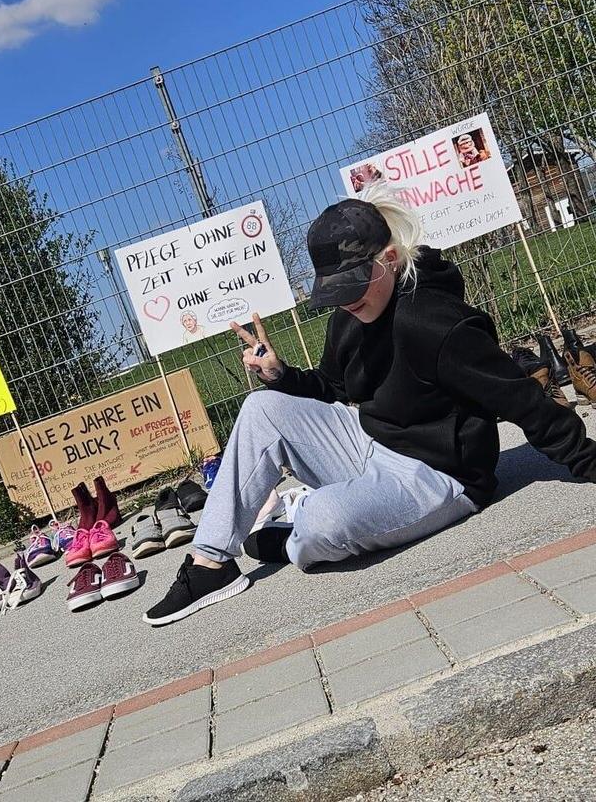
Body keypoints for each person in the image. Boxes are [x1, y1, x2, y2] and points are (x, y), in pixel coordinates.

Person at [143, 185, 595, 626]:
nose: (346, 299)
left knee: (323, 518)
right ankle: (210, 563)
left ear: (391, 260)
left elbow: (519, 397)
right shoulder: (353, 312)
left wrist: (586, 458)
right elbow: (333, 385)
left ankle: (296, 531)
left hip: (437, 474)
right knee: (262, 407)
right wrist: (283, 376)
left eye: (354, 283)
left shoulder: (434, 323)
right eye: (336, 288)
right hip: (370, 440)